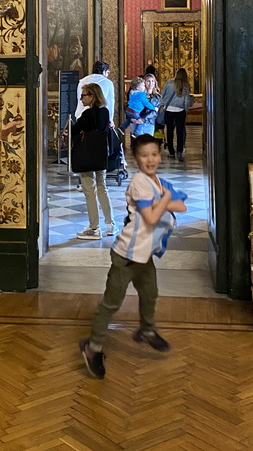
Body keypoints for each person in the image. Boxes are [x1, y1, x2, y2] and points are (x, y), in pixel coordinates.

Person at [79, 134, 187, 379]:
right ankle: (93, 346)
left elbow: (181, 206)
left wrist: (166, 200)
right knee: (111, 303)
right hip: (126, 256)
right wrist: (166, 201)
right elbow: (150, 217)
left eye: (154, 154)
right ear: (135, 159)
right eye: (144, 155)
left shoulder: (156, 182)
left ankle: (146, 330)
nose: (150, 160)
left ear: (160, 155)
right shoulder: (139, 182)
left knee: (150, 294)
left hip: (144, 254)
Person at [71, 84, 117, 240]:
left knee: (89, 191)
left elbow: (75, 131)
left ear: (92, 96)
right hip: (100, 155)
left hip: (86, 156)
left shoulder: (87, 114)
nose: (81, 98)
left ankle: (94, 228)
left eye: (83, 95)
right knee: (102, 187)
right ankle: (110, 224)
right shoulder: (105, 112)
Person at [158, 66, 193, 161]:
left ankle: (171, 152)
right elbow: (186, 101)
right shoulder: (185, 86)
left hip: (169, 110)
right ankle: (179, 151)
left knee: (169, 131)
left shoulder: (169, 83)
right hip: (180, 111)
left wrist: (163, 105)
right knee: (180, 132)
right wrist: (185, 110)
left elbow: (163, 95)